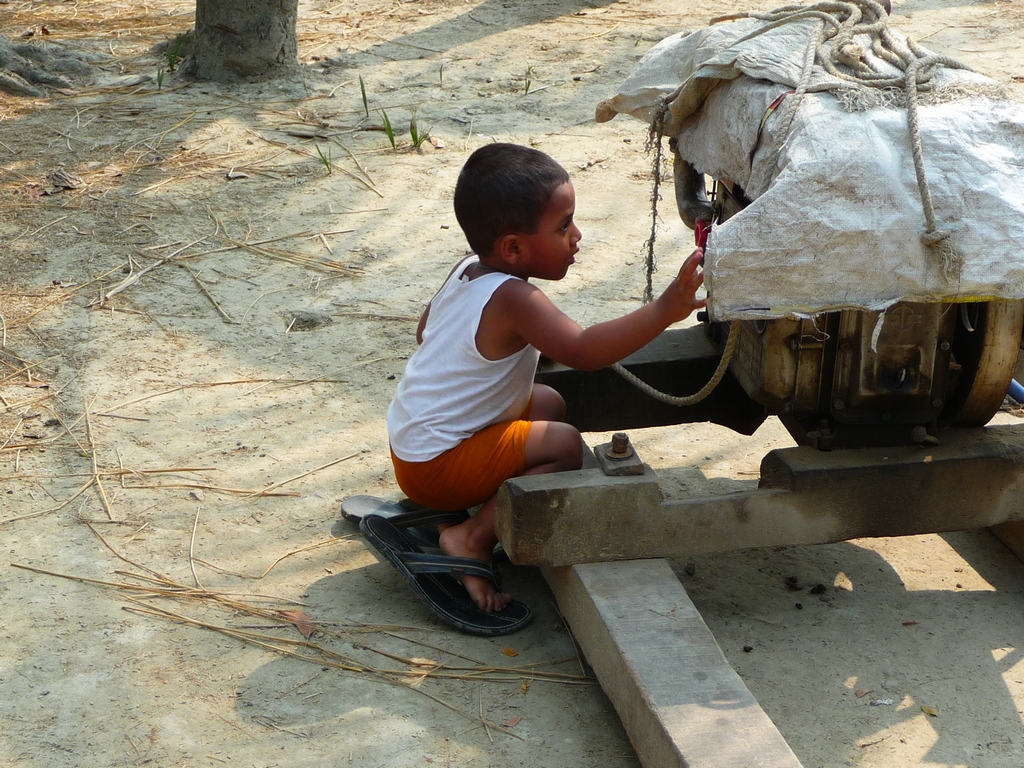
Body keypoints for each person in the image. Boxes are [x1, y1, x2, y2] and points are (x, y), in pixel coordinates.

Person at [386, 143, 705, 614]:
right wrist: (665, 310)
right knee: (563, 446)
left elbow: (425, 332)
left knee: (549, 403)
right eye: (562, 227)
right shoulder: (516, 300)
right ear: (513, 248)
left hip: (413, 444)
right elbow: (583, 351)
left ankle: (484, 501)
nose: (577, 235)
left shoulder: (466, 270)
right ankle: (469, 538)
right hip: (436, 467)